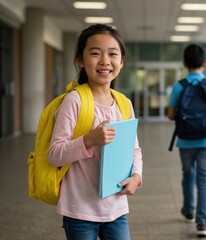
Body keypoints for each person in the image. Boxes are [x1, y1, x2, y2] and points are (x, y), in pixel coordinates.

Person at [48, 24, 143, 239]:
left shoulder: (124, 103)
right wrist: (89, 140)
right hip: (80, 210)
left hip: (116, 207)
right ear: (81, 60)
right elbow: (54, 154)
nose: (104, 61)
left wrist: (136, 176)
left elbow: (134, 149)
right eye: (95, 53)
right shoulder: (75, 100)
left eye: (112, 54)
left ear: (122, 61)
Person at [167, 43, 206, 237]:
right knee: (204, 179)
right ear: (205, 63)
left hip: (185, 140)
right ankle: (202, 221)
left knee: (188, 174)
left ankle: (189, 209)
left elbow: (170, 114)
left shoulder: (178, 86)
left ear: (184, 63)